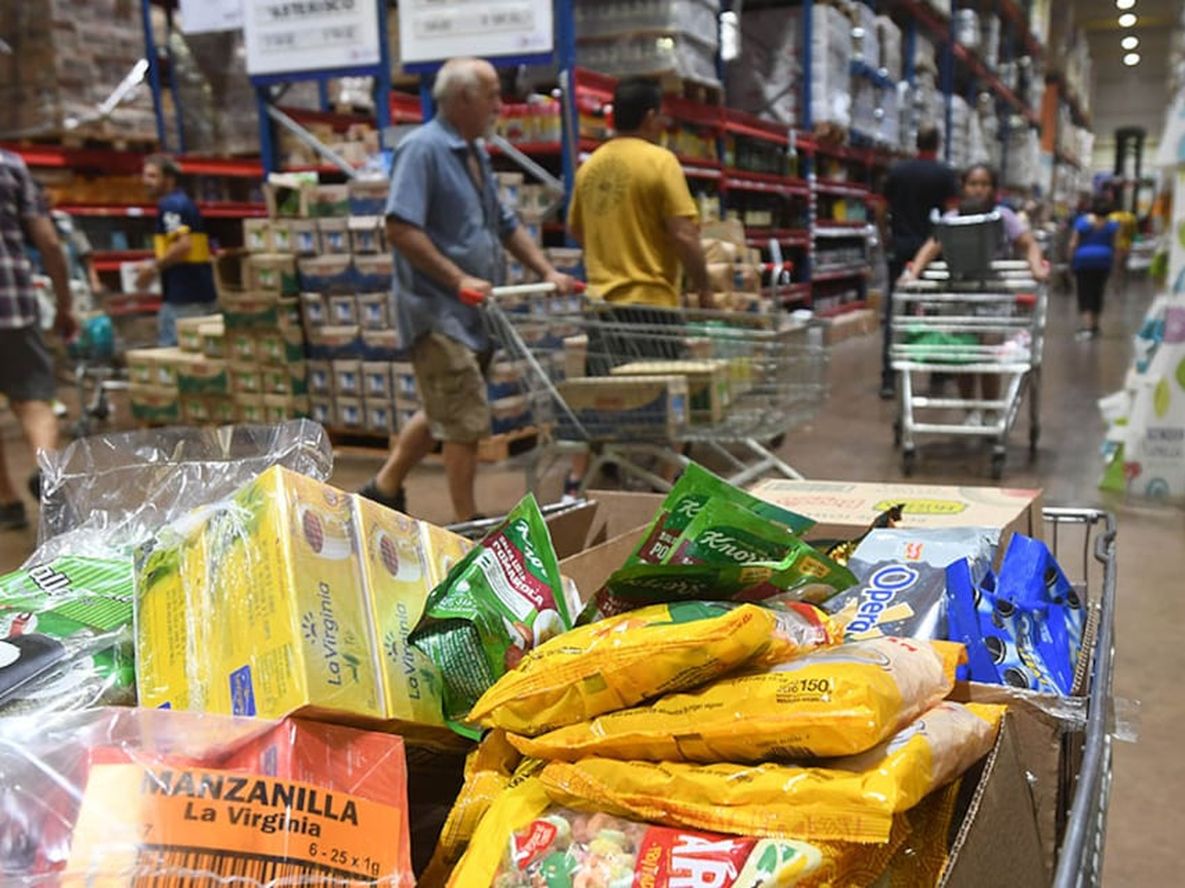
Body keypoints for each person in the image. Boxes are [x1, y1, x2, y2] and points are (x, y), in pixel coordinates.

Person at [359, 57, 575, 523]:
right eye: (493, 94)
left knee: (447, 408)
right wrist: (457, 280)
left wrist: (546, 270)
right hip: (437, 311)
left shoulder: (472, 152)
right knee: (466, 421)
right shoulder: (424, 150)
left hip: (473, 313)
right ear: (462, 98)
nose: (500, 105)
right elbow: (399, 227)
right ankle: (466, 526)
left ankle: (383, 486)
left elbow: (505, 224)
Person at [561, 76, 712, 498]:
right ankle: (663, 488)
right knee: (669, 409)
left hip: (603, 308)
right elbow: (684, 234)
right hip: (652, 307)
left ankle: (586, 483)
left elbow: (576, 227)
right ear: (650, 116)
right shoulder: (659, 161)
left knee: (606, 405)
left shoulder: (589, 167)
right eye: (661, 114)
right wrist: (703, 287)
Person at [902, 163, 1048, 427]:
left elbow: (1028, 244)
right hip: (959, 297)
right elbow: (931, 247)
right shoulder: (951, 220)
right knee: (965, 356)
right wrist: (913, 274)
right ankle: (971, 410)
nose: (978, 189)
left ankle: (990, 410)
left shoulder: (1004, 217)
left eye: (984, 184)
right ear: (964, 187)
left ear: (993, 189)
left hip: (993, 298)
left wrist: (1036, 266)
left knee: (989, 354)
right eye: (973, 184)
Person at [0, 148, 78, 529]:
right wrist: (65, 304)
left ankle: (7, 503)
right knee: (34, 398)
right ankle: (48, 475)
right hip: (11, 300)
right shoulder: (10, 166)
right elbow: (47, 241)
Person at [879, 126, 959, 399]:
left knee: (896, 310)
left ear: (916, 141)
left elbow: (881, 207)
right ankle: (935, 369)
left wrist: (885, 236)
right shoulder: (944, 174)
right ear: (938, 143)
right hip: (933, 250)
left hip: (900, 247)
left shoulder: (898, 171)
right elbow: (951, 213)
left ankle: (889, 378)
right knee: (934, 308)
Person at [135, 154, 218, 346]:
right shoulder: (184, 202)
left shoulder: (170, 205)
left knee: (174, 359)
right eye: (145, 176)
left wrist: (152, 268)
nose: (145, 181)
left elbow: (183, 245)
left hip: (184, 300)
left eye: (152, 176)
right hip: (201, 295)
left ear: (169, 179)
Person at [1070, 194, 1121, 340]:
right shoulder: (1112, 225)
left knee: (1084, 292)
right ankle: (1096, 325)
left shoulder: (1082, 223)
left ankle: (1087, 326)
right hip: (1104, 260)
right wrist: (1117, 266)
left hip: (1084, 260)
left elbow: (1073, 243)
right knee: (1098, 291)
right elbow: (1116, 246)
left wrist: (1070, 259)